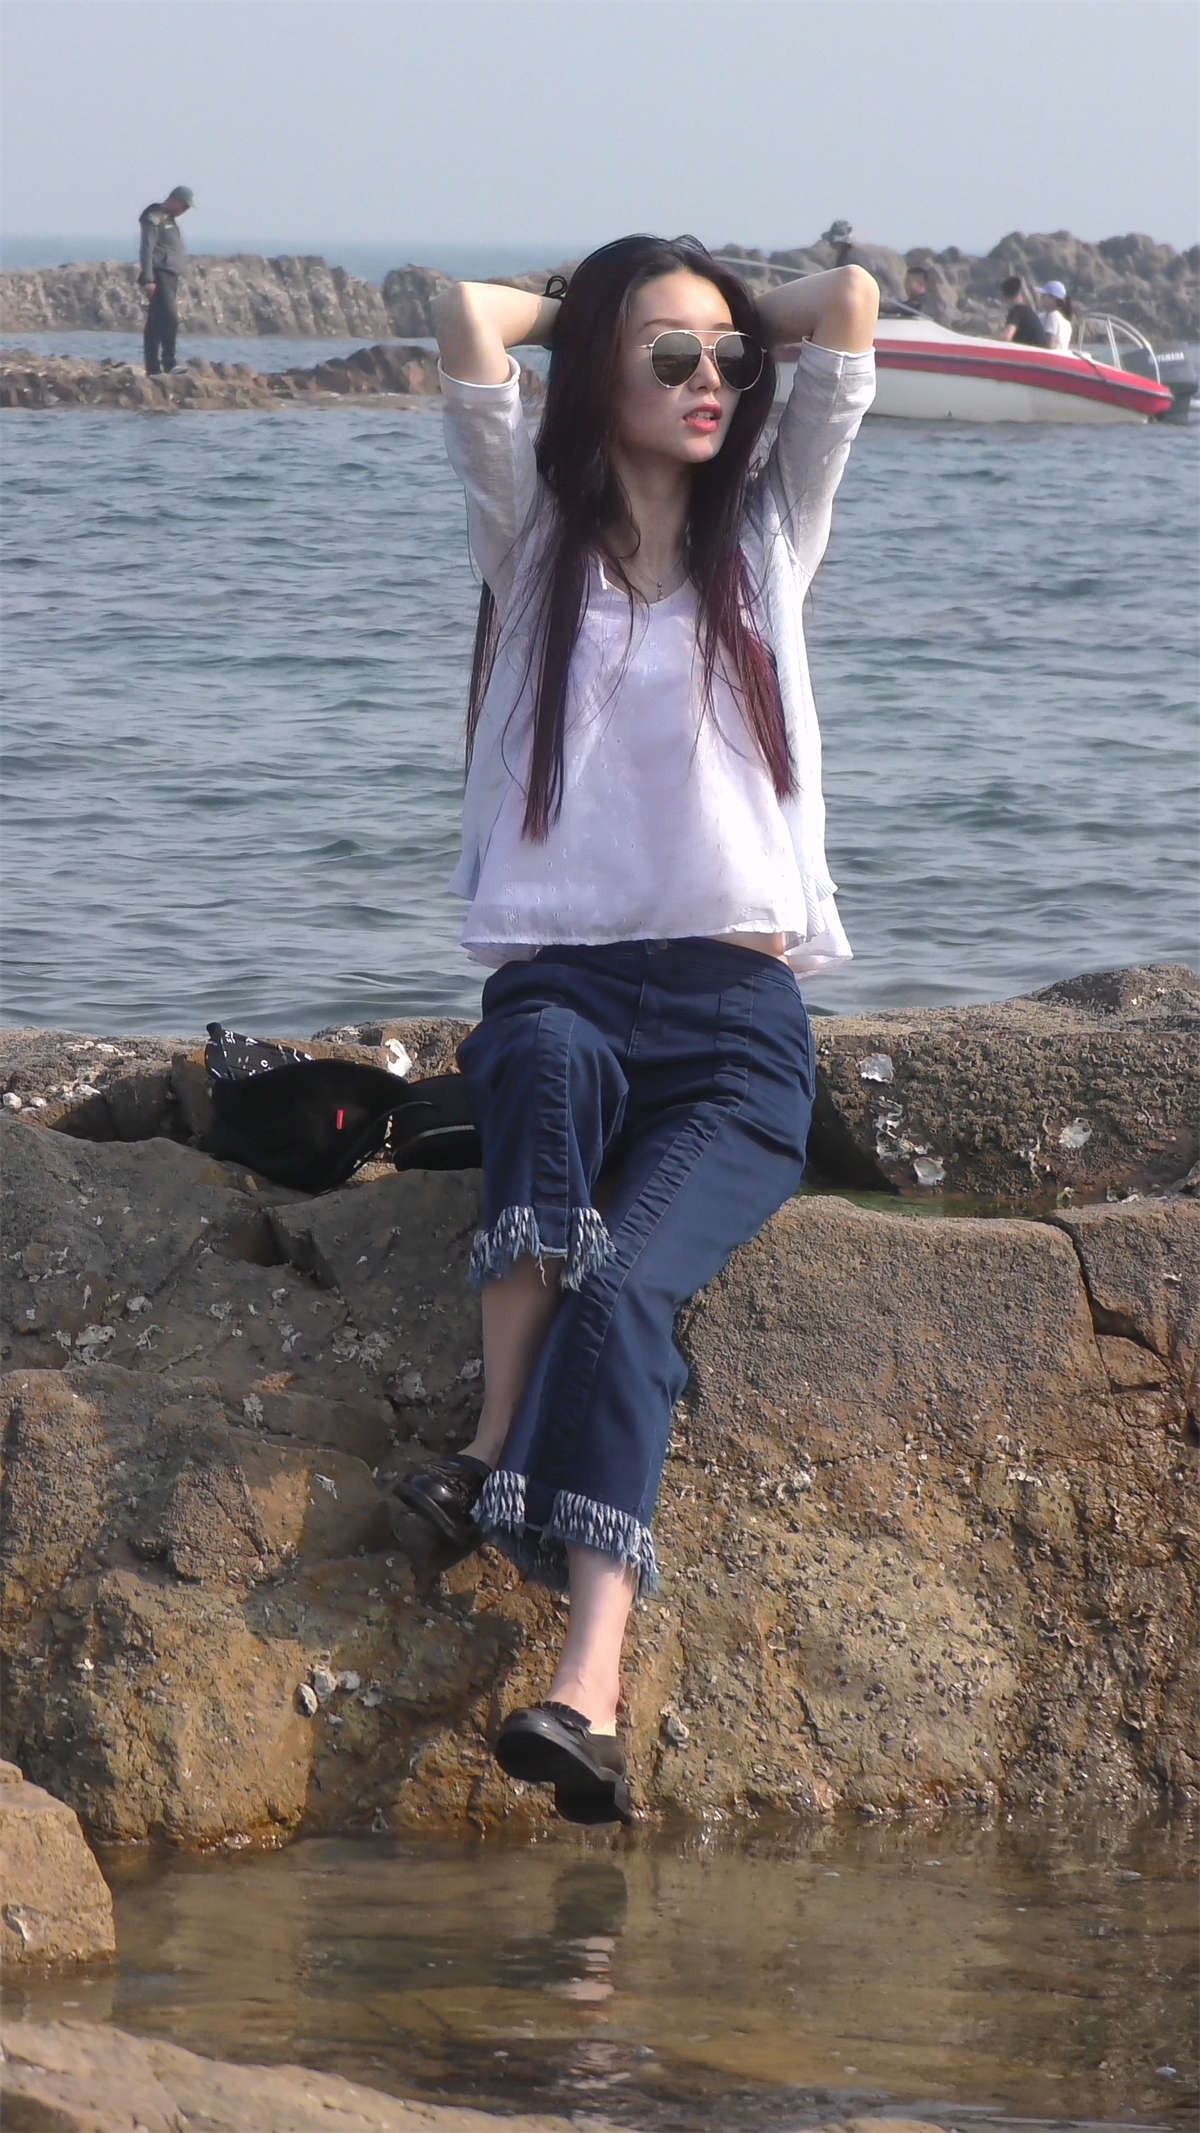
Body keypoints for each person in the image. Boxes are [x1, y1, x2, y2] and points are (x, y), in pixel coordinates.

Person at [395, 234, 878, 1828]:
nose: (713, 381)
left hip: (737, 1020)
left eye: (728, 360)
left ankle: (585, 1689)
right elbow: (468, 319)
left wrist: (718, 309)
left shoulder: (770, 539)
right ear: (597, 370)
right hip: (568, 988)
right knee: (536, 1062)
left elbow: (848, 309)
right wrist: (605, 308)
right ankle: (490, 1439)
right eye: (670, 359)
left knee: (626, 1289)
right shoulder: (532, 539)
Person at [138, 185, 194, 374]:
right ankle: (169, 362)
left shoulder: (169, 218)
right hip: (159, 273)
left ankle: (153, 368)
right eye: (184, 206)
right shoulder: (154, 216)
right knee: (170, 317)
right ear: (174, 200)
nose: (184, 211)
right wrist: (148, 278)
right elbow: (147, 247)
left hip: (170, 275)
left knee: (155, 322)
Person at [998, 272, 1051, 348]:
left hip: (1032, 352)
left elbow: (1006, 337)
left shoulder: (1017, 311)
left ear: (1005, 297)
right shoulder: (1028, 311)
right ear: (1020, 293)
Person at [1035, 279, 1073, 352]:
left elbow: (1050, 346)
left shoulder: (1053, 316)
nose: (1040, 298)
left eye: (1043, 296)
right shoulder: (1067, 323)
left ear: (1053, 299)